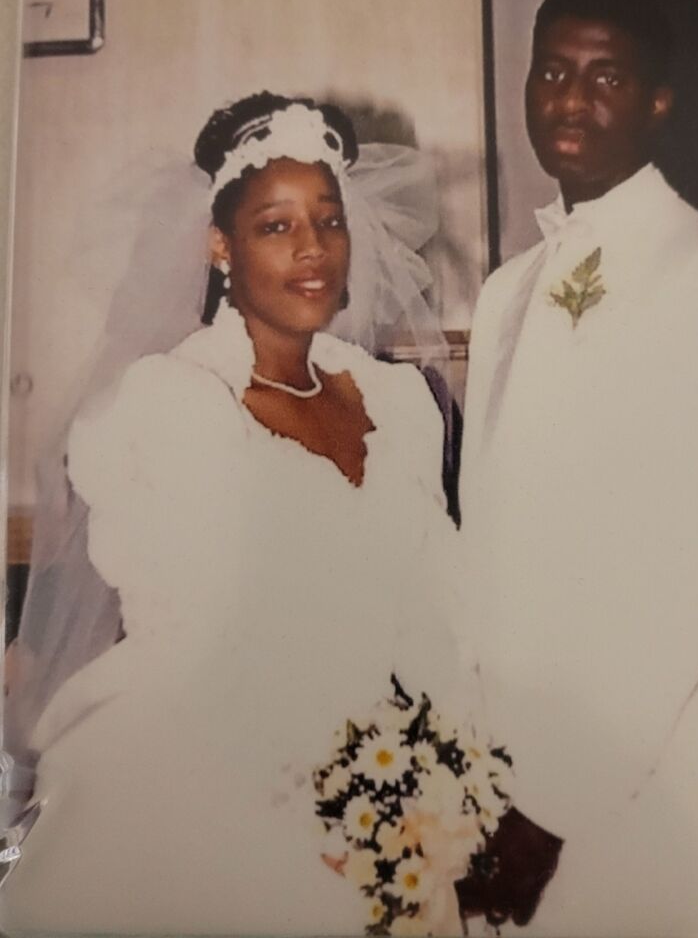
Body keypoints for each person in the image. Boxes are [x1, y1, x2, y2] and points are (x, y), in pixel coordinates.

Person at [1, 94, 475, 935]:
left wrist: (448, 773)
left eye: (328, 220)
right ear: (219, 245)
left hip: (386, 778)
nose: (312, 248)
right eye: (275, 226)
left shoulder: (400, 403)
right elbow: (194, 638)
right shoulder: (170, 403)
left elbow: (436, 612)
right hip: (221, 783)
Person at [459, 0, 698, 935]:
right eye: (552, 72)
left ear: (659, 101)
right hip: (510, 762)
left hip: (649, 765)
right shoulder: (507, 289)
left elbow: (688, 570)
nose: (570, 100)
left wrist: (549, 805)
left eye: (607, 78)